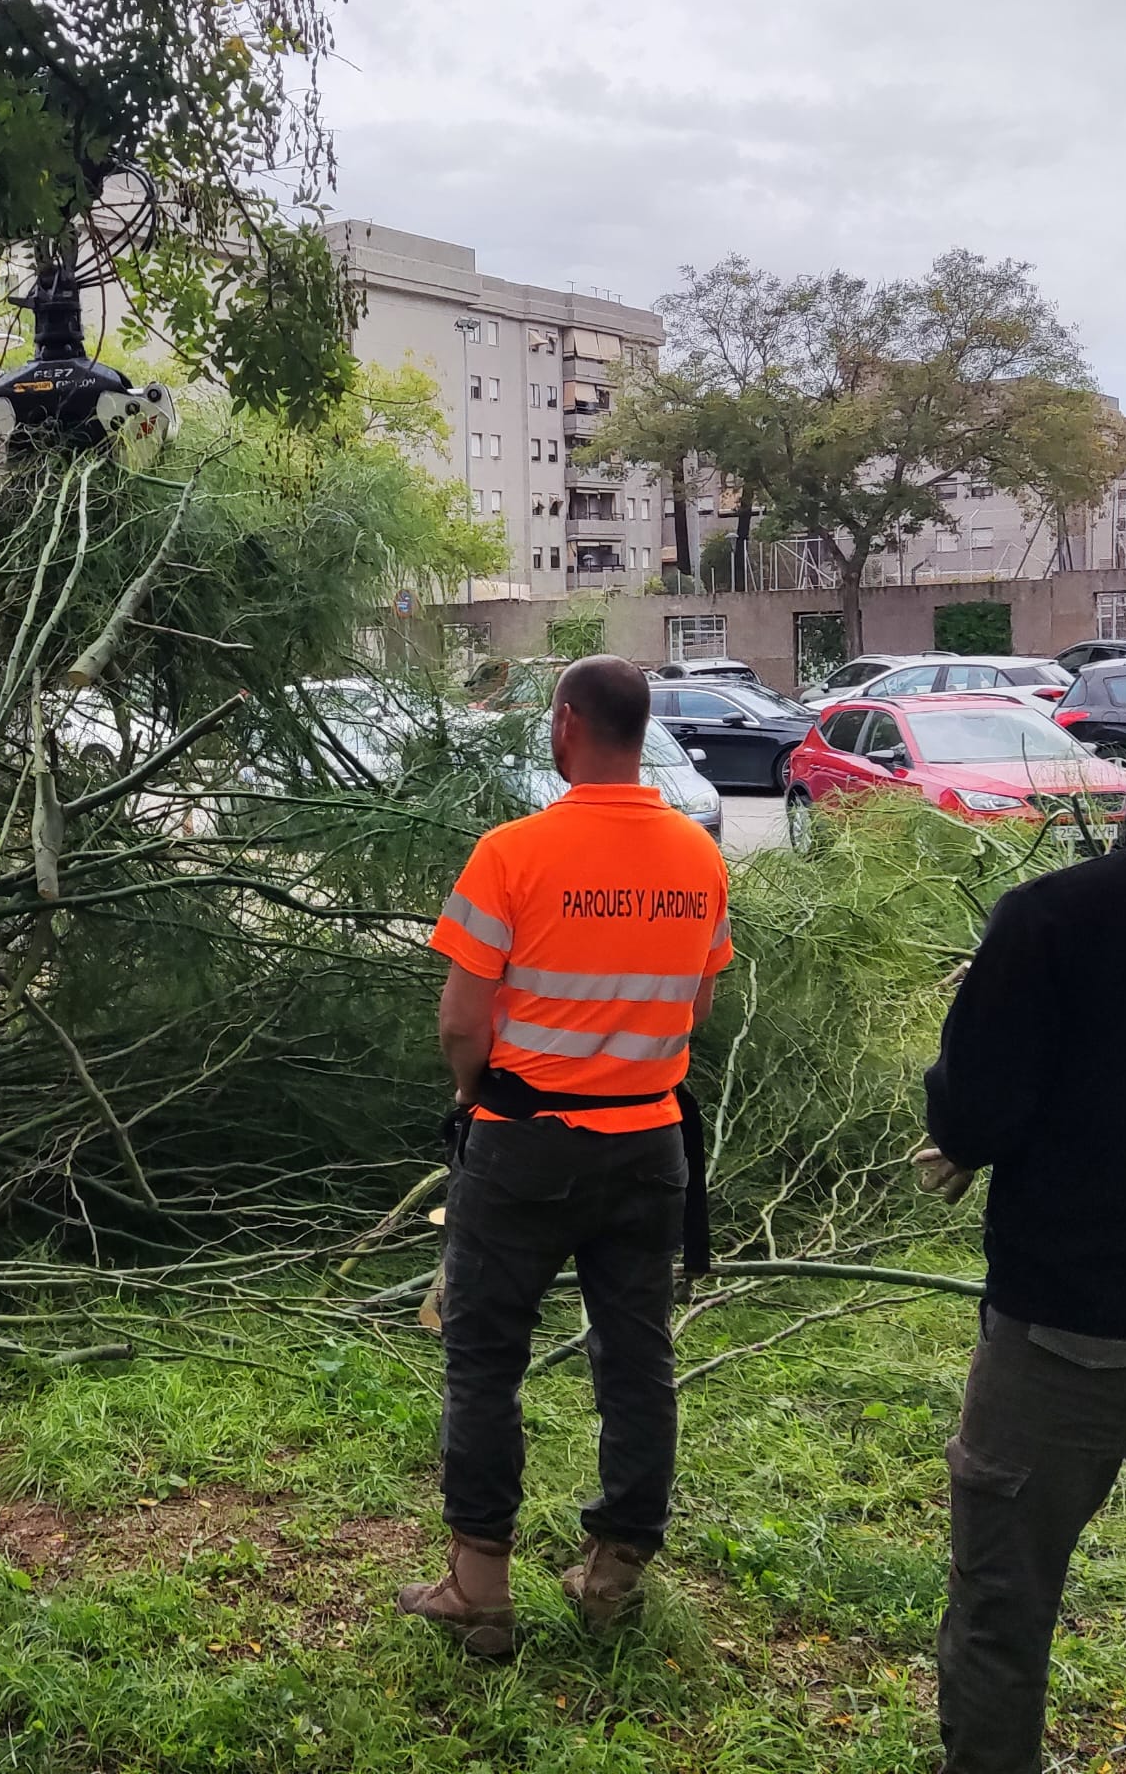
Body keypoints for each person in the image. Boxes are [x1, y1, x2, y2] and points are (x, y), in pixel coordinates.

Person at [398, 654, 731, 1653]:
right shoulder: (697, 856)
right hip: (648, 1143)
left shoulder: (510, 851)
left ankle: (478, 1586)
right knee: (636, 1360)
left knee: (484, 1357)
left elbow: (462, 1019)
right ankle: (613, 1577)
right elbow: (695, 1005)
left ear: (567, 723)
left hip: (523, 1144)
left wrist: (475, 1094)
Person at [923, 756, 1126, 1774]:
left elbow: (972, 1114)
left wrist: (973, 1018)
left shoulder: (1051, 920)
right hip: (1066, 1319)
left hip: (1062, 1335)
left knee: (1003, 1608)